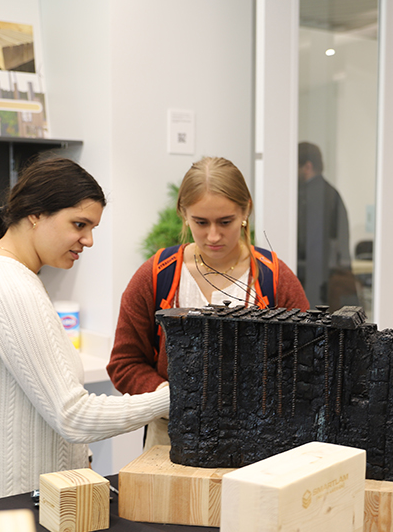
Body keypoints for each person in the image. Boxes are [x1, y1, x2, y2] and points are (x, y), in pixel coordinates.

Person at [0, 156, 171, 509]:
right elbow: (74, 416)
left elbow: (47, 406)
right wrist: (176, 396)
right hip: (11, 512)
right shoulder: (9, 286)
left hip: (17, 506)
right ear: (35, 213)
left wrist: (80, 454)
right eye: (79, 224)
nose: (89, 240)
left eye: (92, 227)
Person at [108, 156, 309, 446]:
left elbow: (307, 364)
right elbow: (124, 363)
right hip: (170, 438)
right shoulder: (158, 275)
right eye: (200, 222)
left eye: (225, 222)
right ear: (183, 214)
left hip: (257, 439)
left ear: (245, 210)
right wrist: (171, 397)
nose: (213, 236)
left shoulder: (274, 278)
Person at [297, 142, 359, 309]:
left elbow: (306, 244)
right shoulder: (333, 194)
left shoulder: (306, 197)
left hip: (311, 282)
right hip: (328, 281)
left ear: (307, 167)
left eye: (296, 167)